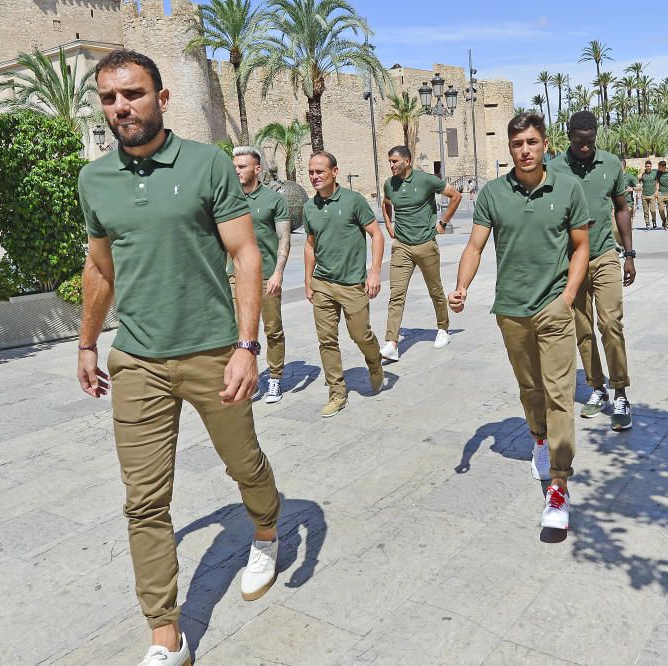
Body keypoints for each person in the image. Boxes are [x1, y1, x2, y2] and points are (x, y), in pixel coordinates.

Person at [76, 49, 281, 666]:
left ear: (161, 99)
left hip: (214, 351)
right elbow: (100, 267)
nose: (121, 107)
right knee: (143, 501)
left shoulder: (206, 165)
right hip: (135, 358)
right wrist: (87, 343)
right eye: (110, 98)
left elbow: (246, 254)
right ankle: (165, 631)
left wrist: (248, 346)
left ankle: (267, 528)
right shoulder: (95, 180)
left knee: (243, 464)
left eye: (133, 94)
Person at [449, 112, 590, 530]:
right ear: (509, 148)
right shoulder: (493, 193)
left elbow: (581, 247)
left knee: (560, 393)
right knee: (531, 388)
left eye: (531, 142)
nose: (525, 150)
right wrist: (461, 286)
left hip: (553, 307)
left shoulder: (568, 188)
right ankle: (540, 440)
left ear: (545, 144)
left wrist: (566, 298)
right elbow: (475, 246)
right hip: (510, 309)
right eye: (517, 144)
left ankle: (559, 487)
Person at [548, 111, 636, 431]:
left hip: (605, 256)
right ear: (568, 136)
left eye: (590, 142)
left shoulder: (611, 164)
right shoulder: (555, 169)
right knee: (582, 330)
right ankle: (597, 388)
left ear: (596, 136)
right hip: (571, 264)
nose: (585, 148)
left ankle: (621, 392)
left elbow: (622, 209)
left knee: (611, 323)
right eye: (578, 142)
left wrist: (629, 254)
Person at [303, 151, 385, 417]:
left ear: (335, 172)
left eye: (320, 172)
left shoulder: (353, 201)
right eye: (311, 172)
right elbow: (310, 244)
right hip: (323, 284)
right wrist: (308, 280)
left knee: (360, 335)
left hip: (352, 285)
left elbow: (376, 234)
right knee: (326, 341)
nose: (314, 177)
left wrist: (374, 273)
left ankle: (374, 362)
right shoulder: (308, 207)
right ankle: (337, 393)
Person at [379, 145, 461, 361]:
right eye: (389, 161)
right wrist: (389, 224)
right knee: (396, 295)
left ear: (407, 161)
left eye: (395, 161)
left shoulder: (426, 180)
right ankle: (392, 343)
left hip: (426, 245)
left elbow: (455, 196)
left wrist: (443, 222)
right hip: (402, 247)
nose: (391, 165)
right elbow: (386, 203)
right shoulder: (390, 184)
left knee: (435, 289)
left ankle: (443, 329)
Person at [230, 146, 291, 403]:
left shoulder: (274, 200)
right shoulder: (228, 200)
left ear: (257, 169)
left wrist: (278, 273)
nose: (237, 171)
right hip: (236, 278)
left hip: (266, 276)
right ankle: (249, 378)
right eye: (234, 167)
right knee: (239, 333)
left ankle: (275, 378)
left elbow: (284, 239)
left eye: (242, 167)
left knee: (273, 329)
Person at [639, 160, 658, 230]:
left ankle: (654, 222)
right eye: (647, 166)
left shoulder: (654, 173)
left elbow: (657, 182)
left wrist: (656, 191)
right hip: (644, 195)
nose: (649, 167)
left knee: (653, 210)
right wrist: (641, 172)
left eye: (650, 166)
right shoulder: (643, 174)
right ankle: (647, 224)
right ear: (645, 167)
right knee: (645, 211)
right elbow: (638, 180)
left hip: (652, 195)